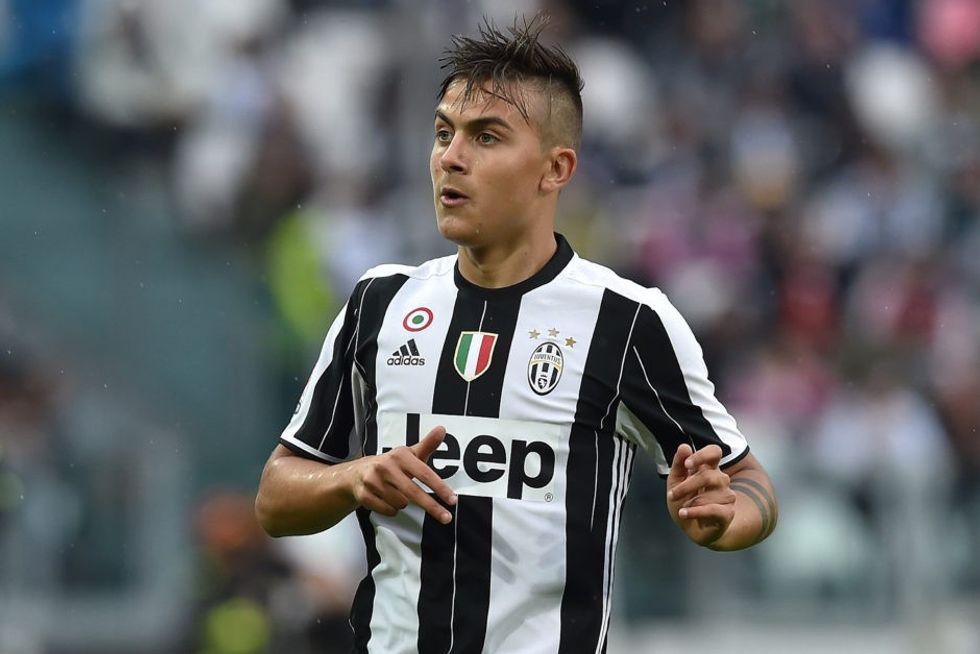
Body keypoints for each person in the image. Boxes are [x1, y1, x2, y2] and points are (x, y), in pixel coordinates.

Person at [255, 15, 778, 654]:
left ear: (554, 169)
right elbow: (277, 496)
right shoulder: (380, 304)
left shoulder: (627, 320)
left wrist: (724, 518)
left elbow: (749, 482)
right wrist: (352, 477)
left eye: (486, 137)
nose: (451, 157)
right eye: (444, 133)